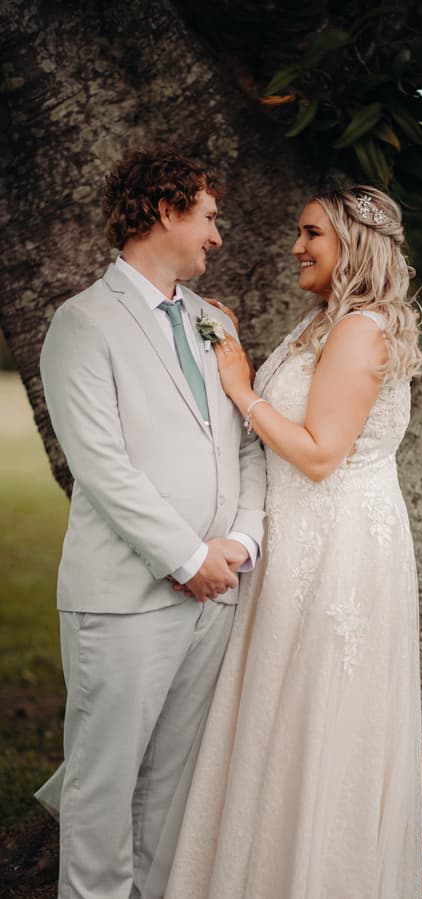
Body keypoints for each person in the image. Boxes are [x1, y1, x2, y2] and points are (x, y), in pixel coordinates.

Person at [163, 186, 422, 899]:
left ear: (352, 244)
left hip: (338, 550)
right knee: (277, 719)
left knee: (317, 723)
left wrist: (243, 386)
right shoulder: (322, 322)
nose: (295, 246)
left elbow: (317, 452)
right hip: (303, 539)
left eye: (311, 233)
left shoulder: (363, 328)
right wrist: (236, 353)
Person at [37, 149, 266, 899]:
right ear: (166, 211)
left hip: (215, 592)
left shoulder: (212, 323)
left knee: (174, 785)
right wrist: (183, 554)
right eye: (208, 216)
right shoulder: (83, 323)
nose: (218, 236)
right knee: (104, 783)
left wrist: (239, 543)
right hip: (127, 595)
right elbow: (99, 465)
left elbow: (246, 440)